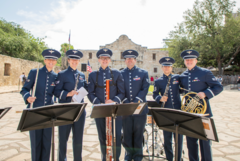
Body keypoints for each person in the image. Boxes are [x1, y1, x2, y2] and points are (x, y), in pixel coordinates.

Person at [179, 49, 223, 161]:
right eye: (186, 60)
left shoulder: (205, 73)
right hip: (189, 114)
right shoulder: (182, 75)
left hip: (204, 113)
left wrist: (206, 93)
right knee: (191, 143)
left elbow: (218, 87)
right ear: (184, 62)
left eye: (191, 59)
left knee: (205, 143)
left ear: (196, 60)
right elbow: (181, 91)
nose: (189, 61)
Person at [20, 49, 61, 161]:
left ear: (56, 62)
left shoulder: (55, 76)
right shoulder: (35, 72)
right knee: (35, 143)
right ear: (44, 60)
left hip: (48, 114)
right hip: (35, 112)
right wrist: (28, 97)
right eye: (48, 59)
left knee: (47, 142)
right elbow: (24, 89)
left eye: (53, 60)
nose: (51, 62)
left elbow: (56, 93)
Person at [87, 48, 125, 161]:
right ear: (99, 59)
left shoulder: (117, 73)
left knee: (117, 136)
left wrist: (114, 100)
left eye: (107, 58)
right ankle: (105, 158)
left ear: (109, 60)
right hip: (100, 110)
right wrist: (100, 104)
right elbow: (90, 93)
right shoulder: (93, 75)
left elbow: (122, 92)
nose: (105, 60)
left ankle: (116, 158)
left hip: (115, 110)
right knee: (102, 137)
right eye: (102, 58)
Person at [54, 50, 88, 161]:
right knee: (63, 138)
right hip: (65, 110)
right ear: (68, 60)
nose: (74, 61)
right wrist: (68, 94)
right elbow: (56, 92)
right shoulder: (62, 74)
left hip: (79, 111)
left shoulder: (82, 75)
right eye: (72, 59)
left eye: (76, 59)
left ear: (79, 61)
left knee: (78, 139)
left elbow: (86, 88)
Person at [121, 50, 150, 161]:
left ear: (135, 60)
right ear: (125, 61)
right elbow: (120, 89)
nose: (129, 60)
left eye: (132, 58)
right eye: (127, 58)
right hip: (126, 109)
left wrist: (137, 100)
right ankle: (128, 155)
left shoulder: (143, 73)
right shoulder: (121, 73)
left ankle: (138, 156)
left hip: (140, 109)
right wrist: (127, 102)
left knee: (138, 134)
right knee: (127, 134)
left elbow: (145, 88)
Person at [152, 57, 183, 161]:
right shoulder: (158, 81)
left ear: (171, 67)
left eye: (168, 66)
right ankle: (169, 158)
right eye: (165, 66)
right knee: (167, 138)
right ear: (162, 68)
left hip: (178, 112)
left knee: (178, 138)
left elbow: (183, 89)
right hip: (166, 112)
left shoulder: (178, 78)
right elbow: (154, 94)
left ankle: (178, 158)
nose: (167, 68)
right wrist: (160, 98)